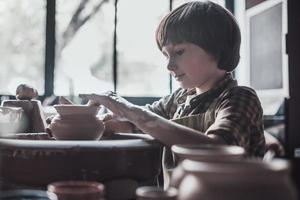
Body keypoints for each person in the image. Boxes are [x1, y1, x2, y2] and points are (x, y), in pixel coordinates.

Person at [80, 1, 265, 157]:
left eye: (179, 52)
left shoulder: (239, 98)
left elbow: (219, 151)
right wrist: (90, 123)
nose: (169, 66)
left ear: (217, 48)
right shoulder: (178, 100)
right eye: (166, 56)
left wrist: (131, 111)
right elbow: (134, 124)